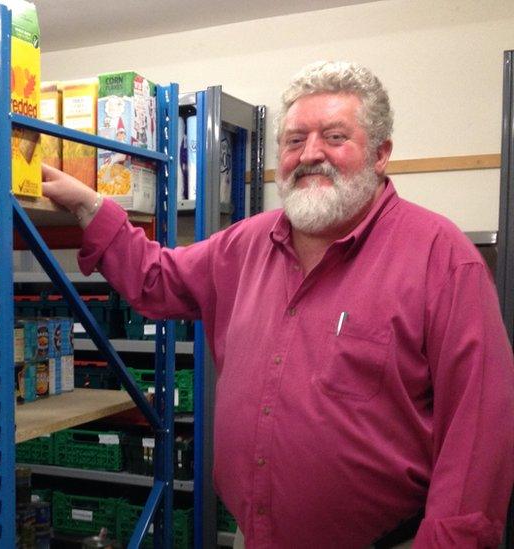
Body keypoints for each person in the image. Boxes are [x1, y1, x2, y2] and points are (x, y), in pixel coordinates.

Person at [42, 61, 514, 548]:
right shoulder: (247, 244)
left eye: (334, 137)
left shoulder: (441, 257)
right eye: (294, 140)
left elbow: (478, 434)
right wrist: (90, 206)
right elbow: (158, 279)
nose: (310, 154)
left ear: (380, 154)